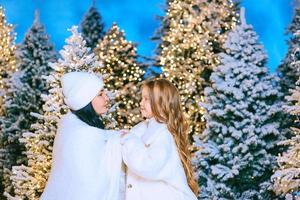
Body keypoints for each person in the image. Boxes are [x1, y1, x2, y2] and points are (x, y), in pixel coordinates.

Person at [41, 71, 123, 200]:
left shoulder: (71, 127)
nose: (107, 98)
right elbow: (91, 185)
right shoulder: (83, 135)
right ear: (86, 100)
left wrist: (116, 136)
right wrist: (121, 140)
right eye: (100, 94)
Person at [120, 79, 199, 200]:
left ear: (161, 103)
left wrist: (129, 140)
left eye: (146, 99)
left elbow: (148, 165)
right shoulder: (141, 129)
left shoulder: (163, 134)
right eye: (141, 98)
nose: (141, 103)